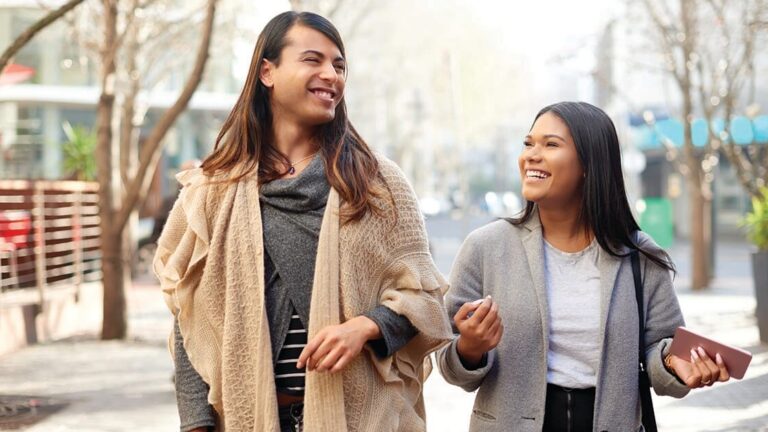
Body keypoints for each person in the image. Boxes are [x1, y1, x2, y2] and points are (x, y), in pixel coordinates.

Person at [154, 11, 451, 432]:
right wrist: (197, 424)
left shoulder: (376, 184)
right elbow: (190, 318)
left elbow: (426, 302)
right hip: (247, 419)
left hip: (361, 419)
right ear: (267, 72)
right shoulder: (211, 191)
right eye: (313, 60)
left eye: (339, 65)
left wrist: (365, 327)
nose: (331, 74)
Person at [435, 101, 732, 431]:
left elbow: (660, 348)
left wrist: (674, 362)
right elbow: (448, 360)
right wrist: (470, 348)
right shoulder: (485, 247)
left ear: (589, 164)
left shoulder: (639, 255)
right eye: (528, 143)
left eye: (550, 145)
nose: (531, 155)